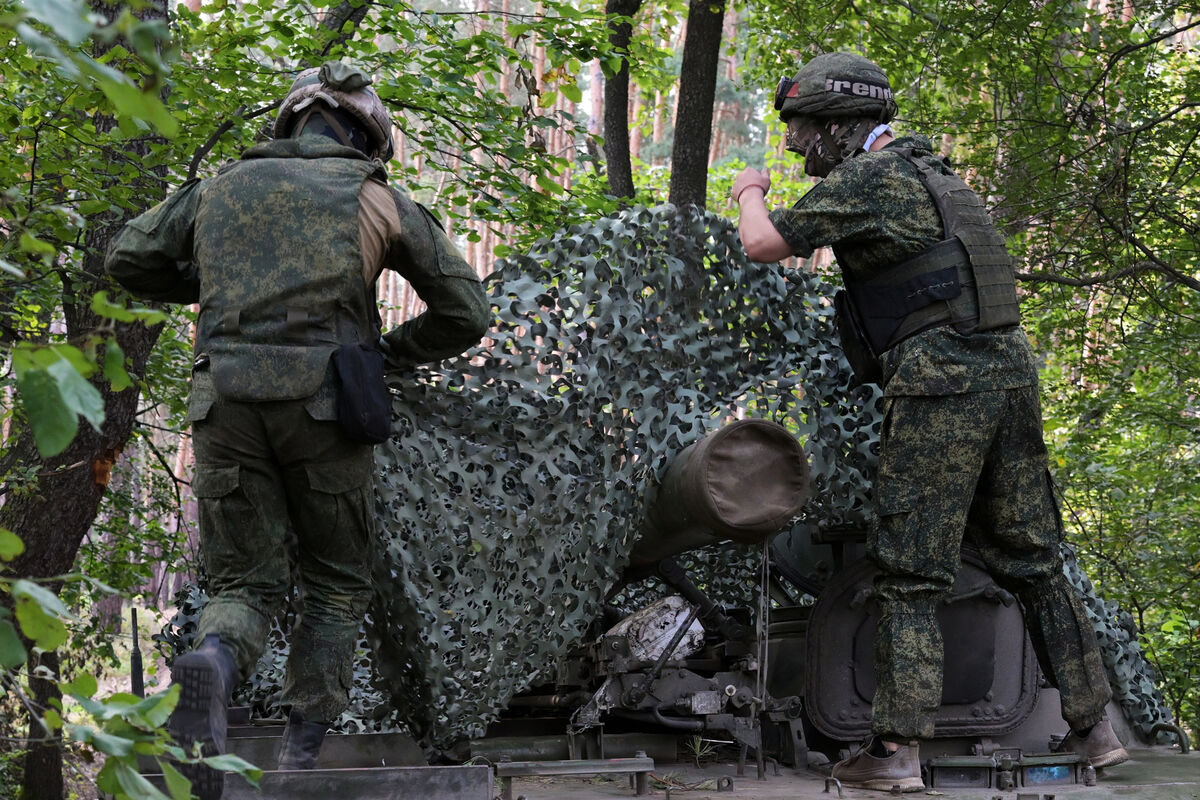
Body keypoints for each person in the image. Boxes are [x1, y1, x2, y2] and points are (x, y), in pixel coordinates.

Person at [731, 52, 1127, 792]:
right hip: (1008, 380)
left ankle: (895, 753)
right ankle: (1097, 728)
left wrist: (750, 190)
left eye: (803, 129)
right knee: (1034, 556)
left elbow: (762, 244)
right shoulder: (940, 176)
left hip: (943, 387)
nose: (793, 146)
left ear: (842, 127)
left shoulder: (869, 178)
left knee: (910, 568)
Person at [106, 61, 490, 798]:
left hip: (224, 405)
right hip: (326, 409)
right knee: (337, 584)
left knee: (243, 582)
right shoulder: (376, 198)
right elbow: (466, 314)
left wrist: (215, 281)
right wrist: (390, 355)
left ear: (288, 121)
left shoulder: (218, 188)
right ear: (367, 137)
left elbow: (127, 256)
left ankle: (213, 662)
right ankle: (297, 760)